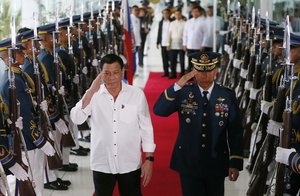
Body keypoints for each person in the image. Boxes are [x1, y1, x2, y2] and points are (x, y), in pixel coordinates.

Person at [153, 51, 243, 196]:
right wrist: (177, 85)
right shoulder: (183, 92)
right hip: (188, 160)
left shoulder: (226, 95)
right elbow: (159, 110)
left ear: (215, 72)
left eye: (208, 71)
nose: (204, 75)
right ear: (194, 72)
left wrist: (235, 162)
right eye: (200, 71)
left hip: (216, 161)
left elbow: (235, 130)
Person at [70, 54, 156, 196]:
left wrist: (149, 159)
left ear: (122, 72)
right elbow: (77, 118)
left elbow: (146, 128)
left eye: (115, 73)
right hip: (102, 162)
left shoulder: (136, 94)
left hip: (130, 163)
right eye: (107, 73)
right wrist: (91, 90)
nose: (111, 78)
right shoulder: (94, 95)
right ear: (101, 74)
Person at [183, 5, 208, 72]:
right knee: (190, 62)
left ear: (200, 13)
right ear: (191, 13)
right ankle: (190, 77)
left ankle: (198, 78)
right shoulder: (188, 22)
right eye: (193, 12)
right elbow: (185, 34)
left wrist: (203, 45)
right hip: (189, 46)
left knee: (198, 63)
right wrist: (184, 44)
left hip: (198, 46)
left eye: (196, 11)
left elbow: (206, 35)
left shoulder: (203, 22)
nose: (195, 13)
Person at [167, 8, 186, 78]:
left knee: (182, 60)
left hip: (181, 43)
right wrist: (168, 44)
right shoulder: (171, 23)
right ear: (174, 15)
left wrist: (185, 44)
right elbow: (169, 34)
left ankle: (182, 74)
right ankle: (173, 74)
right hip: (173, 44)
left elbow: (186, 34)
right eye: (176, 14)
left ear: (181, 15)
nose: (177, 15)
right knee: (173, 60)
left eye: (179, 14)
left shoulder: (184, 23)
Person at [157, 8, 172, 77]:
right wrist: (157, 42)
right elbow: (159, 32)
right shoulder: (161, 22)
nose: (165, 15)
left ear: (169, 14)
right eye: (164, 13)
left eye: (167, 13)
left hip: (170, 43)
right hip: (163, 43)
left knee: (171, 59)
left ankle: (172, 72)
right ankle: (166, 72)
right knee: (164, 59)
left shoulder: (172, 22)